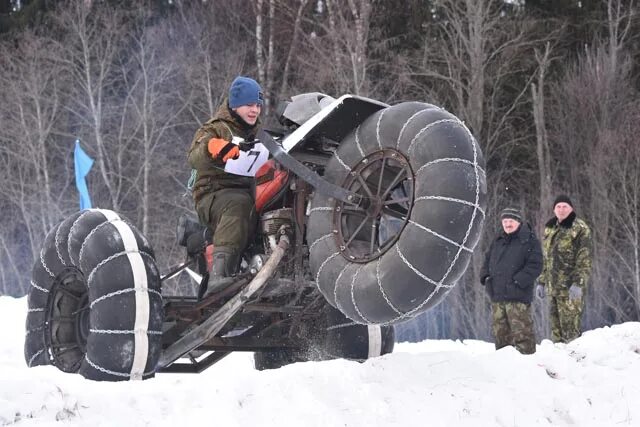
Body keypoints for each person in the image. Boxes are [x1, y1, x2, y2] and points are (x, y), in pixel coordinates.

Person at [187, 76, 264, 295]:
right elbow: (194, 156)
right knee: (239, 204)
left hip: (250, 193)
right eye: (249, 104)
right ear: (235, 104)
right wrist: (213, 146)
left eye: (258, 105)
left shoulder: (260, 134)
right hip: (214, 195)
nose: (254, 110)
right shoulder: (216, 129)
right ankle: (219, 276)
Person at [480, 207, 543, 354]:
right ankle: (504, 369)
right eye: (505, 221)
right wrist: (486, 277)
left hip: (518, 297)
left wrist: (518, 281)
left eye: (511, 221)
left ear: (519, 222)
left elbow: (536, 265)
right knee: (500, 336)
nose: (508, 224)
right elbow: (487, 259)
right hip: (497, 295)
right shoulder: (498, 240)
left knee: (522, 334)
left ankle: (527, 365)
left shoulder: (529, 240)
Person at [536, 195, 592, 343]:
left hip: (570, 289)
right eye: (558, 207)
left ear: (571, 209)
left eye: (564, 206)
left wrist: (578, 283)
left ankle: (576, 363)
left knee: (571, 334)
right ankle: (560, 364)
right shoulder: (550, 228)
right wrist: (541, 282)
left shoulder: (579, 228)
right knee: (556, 335)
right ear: (554, 209)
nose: (561, 209)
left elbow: (584, 259)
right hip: (552, 288)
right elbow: (546, 258)